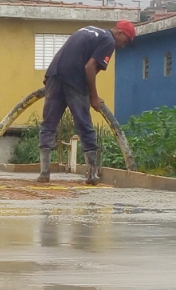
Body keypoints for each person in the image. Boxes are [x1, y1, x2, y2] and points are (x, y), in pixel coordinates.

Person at [37, 20, 135, 185]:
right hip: (75, 79)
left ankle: (44, 174)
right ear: (119, 32)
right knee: (85, 126)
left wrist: (49, 79)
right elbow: (90, 67)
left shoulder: (89, 30)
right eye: (125, 41)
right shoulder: (108, 40)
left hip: (55, 75)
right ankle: (92, 175)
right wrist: (94, 97)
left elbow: (64, 52)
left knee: (48, 125)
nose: (123, 46)